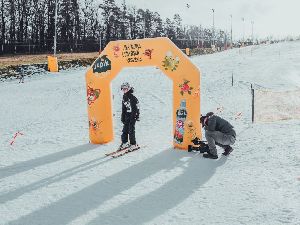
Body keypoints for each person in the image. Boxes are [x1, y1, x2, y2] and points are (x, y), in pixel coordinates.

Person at [119, 82, 140, 150]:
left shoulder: (132, 97)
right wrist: (123, 117)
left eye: (126, 89)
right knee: (125, 129)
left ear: (128, 88)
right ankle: (125, 142)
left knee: (131, 130)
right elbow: (124, 108)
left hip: (133, 114)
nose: (124, 90)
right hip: (128, 114)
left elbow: (135, 109)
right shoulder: (124, 96)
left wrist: (134, 117)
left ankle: (133, 144)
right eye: (123, 89)